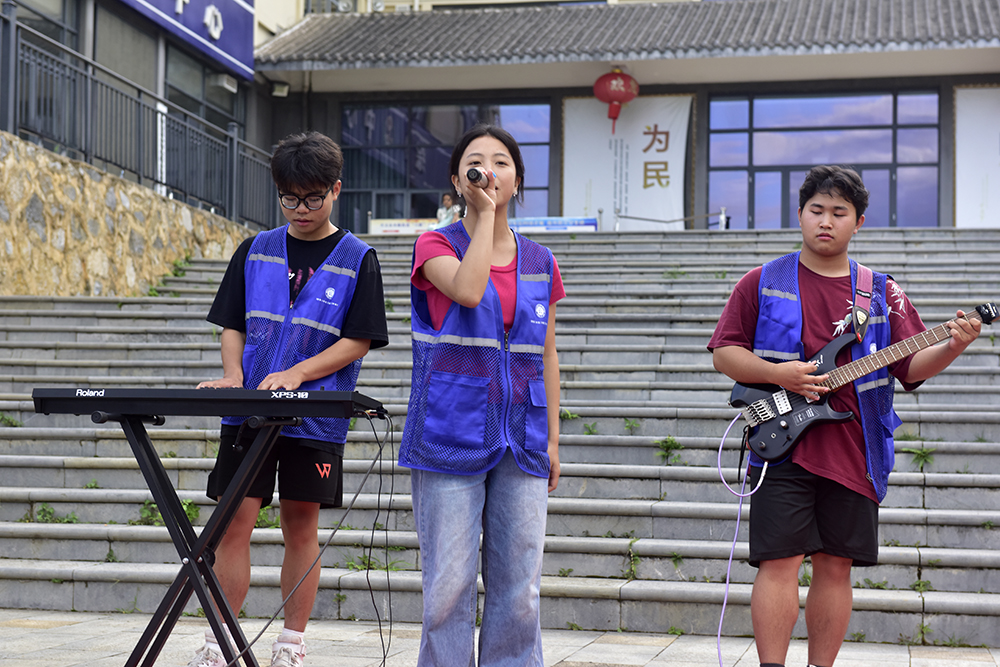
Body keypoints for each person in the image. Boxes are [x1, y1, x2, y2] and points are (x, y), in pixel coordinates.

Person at [708, 165, 981, 667]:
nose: (826, 221)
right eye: (817, 210)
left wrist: (953, 347)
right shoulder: (762, 280)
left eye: (839, 212)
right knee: (779, 561)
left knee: (836, 566)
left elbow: (910, 367)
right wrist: (782, 376)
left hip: (856, 449)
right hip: (781, 445)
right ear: (800, 215)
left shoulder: (881, 291)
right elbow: (724, 352)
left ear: (859, 222)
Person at [191, 131, 389, 667]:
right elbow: (232, 323)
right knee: (234, 521)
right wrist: (234, 374)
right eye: (289, 198)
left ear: (336, 190)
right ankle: (216, 642)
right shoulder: (255, 250)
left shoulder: (356, 257)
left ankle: (291, 643)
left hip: (316, 415)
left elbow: (359, 339)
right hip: (249, 409)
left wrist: (299, 372)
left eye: (312, 198)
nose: (300, 209)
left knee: (300, 523)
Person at [398, 124, 565, 666]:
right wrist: (485, 217)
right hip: (450, 430)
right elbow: (469, 290)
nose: (490, 169)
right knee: (447, 589)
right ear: (457, 180)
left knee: (520, 589)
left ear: (517, 180)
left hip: (524, 436)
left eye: (502, 162)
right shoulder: (436, 244)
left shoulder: (540, 262)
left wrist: (554, 442)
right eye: (477, 162)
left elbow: (546, 356)